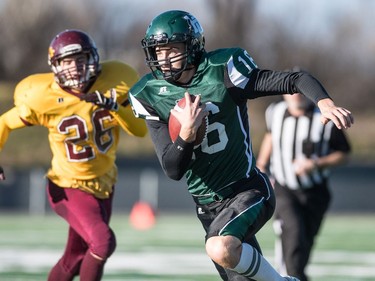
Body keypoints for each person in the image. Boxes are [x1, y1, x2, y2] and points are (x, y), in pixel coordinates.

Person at [128, 10, 354, 281]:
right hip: (206, 206)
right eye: (158, 50)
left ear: (192, 46)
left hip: (246, 189)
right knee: (231, 260)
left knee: (219, 247)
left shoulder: (223, 71)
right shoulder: (149, 94)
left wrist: (324, 102)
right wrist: (186, 135)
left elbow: (294, 80)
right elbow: (173, 169)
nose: (163, 58)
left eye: (172, 49)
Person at [0, 29, 147, 281]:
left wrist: (114, 108)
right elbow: (4, 122)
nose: (75, 68)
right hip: (67, 185)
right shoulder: (41, 97)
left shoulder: (116, 83)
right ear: (54, 66)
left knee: (75, 258)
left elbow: (140, 131)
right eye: (66, 62)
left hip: (104, 183)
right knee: (102, 243)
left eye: (80, 60)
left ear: (94, 59)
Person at [256, 85, 351, 281]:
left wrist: (315, 164)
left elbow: (344, 154)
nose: (296, 96)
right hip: (284, 187)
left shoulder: (325, 117)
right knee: (293, 231)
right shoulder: (275, 111)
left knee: (304, 242)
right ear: (284, 94)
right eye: (291, 91)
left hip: (315, 191)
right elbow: (270, 136)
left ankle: (298, 275)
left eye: (300, 91)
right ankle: (291, 277)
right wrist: (261, 165)